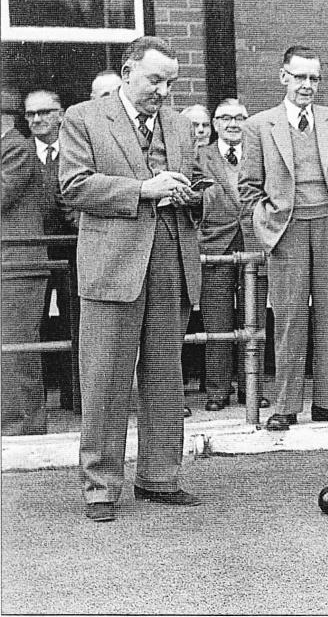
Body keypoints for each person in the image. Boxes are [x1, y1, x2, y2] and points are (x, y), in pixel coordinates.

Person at [59, 36, 208, 522]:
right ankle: (100, 487)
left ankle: (160, 478)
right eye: (154, 80)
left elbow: (202, 186)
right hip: (112, 265)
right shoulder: (83, 117)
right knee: (104, 379)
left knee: (166, 377)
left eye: (170, 83)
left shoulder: (182, 126)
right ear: (127, 72)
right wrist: (144, 189)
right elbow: (74, 186)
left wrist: (191, 197)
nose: (163, 91)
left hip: (171, 259)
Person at [239, 45, 328, 432]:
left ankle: (327, 404)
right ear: (284, 77)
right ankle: (286, 405)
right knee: (291, 318)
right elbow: (247, 188)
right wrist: (267, 222)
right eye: (300, 77)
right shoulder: (260, 125)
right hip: (286, 230)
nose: (307, 85)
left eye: (314, 78)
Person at [194, 98, 269, 411]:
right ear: (215, 124)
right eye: (226, 118)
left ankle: (252, 389)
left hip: (254, 241)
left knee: (254, 319)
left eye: (240, 117)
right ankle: (217, 391)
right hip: (215, 244)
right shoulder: (200, 156)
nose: (233, 124)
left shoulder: (259, 154)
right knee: (217, 321)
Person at [23, 89, 79, 401]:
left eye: (44, 112)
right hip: (32, 250)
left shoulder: (75, 150)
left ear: (60, 113)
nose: (37, 119)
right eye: (31, 114)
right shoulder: (19, 152)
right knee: (35, 321)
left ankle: (75, 395)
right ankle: (38, 398)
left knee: (75, 320)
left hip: (71, 249)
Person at [2, 126, 49, 435]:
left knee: (16, 348)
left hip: (18, 263)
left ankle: (24, 424)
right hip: (11, 262)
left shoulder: (15, 148)